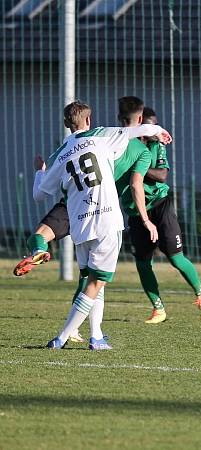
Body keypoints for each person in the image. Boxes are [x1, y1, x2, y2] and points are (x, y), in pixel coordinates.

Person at [13, 97, 158, 343]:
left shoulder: (60, 153)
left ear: (66, 124)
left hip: (80, 222)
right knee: (96, 282)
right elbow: (141, 129)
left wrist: (40, 170)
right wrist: (160, 132)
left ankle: (96, 335)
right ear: (89, 120)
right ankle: (62, 337)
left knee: (92, 279)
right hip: (107, 219)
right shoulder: (103, 136)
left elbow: (39, 195)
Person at [120, 106, 201, 323]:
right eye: (148, 126)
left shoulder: (157, 146)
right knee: (143, 263)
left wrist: (137, 169)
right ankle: (158, 308)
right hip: (136, 209)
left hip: (160, 205)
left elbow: (162, 175)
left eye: (154, 126)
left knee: (175, 257)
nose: (152, 130)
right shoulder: (121, 144)